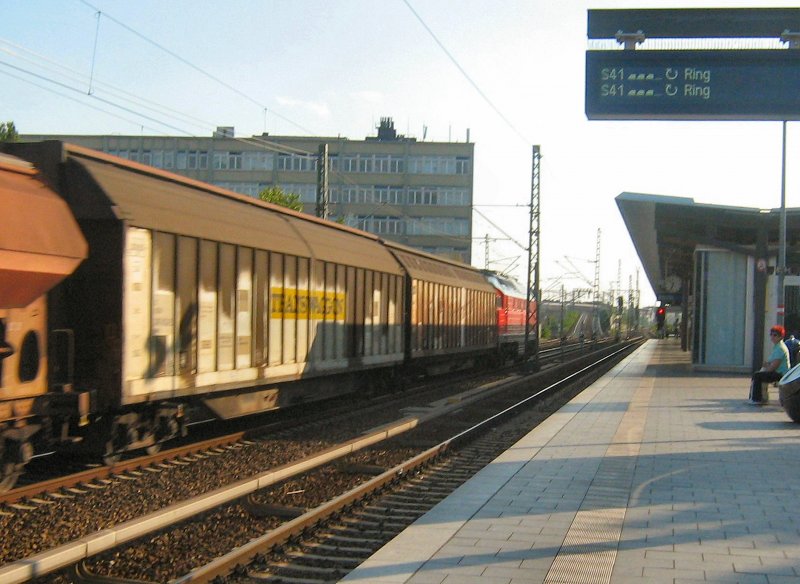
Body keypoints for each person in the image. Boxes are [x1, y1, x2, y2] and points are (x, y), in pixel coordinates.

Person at [749, 325, 791, 405]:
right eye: (771, 334)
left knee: (757, 376)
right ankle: (761, 397)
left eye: (775, 335)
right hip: (777, 372)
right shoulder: (777, 347)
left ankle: (757, 399)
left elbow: (774, 366)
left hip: (781, 374)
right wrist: (766, 366)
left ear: (781, 337)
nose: (772, 337)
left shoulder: (780, 348)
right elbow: (770, 362)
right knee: (759, 374)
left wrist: (764, 369)